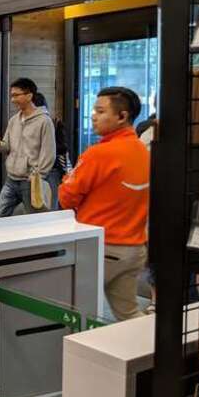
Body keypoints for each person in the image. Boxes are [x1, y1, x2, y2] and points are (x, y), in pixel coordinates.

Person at [59, 87, 150, 321]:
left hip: (101, 247)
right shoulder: (143, 151)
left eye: (100, 110)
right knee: (129, 314)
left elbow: (66, 198)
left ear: (122, 116)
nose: (93, 115)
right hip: (135, 248)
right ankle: (156, 355)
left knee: (73, 312)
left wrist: (66, 181)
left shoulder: (99, 154)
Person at [0, 78, 55, 217]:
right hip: (11, 179)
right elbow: (7, 146)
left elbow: (49, 152)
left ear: (29, 95)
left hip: (30, 181)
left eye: (16, 95)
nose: (13, 100)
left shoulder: (44, 121)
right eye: (12, 95)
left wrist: (39, 175)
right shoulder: (14, 120)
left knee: (33, 221)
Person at [33, 93, 71, 210]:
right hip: (35, 170)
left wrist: (48, 146)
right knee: (36, 202)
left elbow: (63, 147)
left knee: (52, 202)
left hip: (53, 169)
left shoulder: (54, 123)